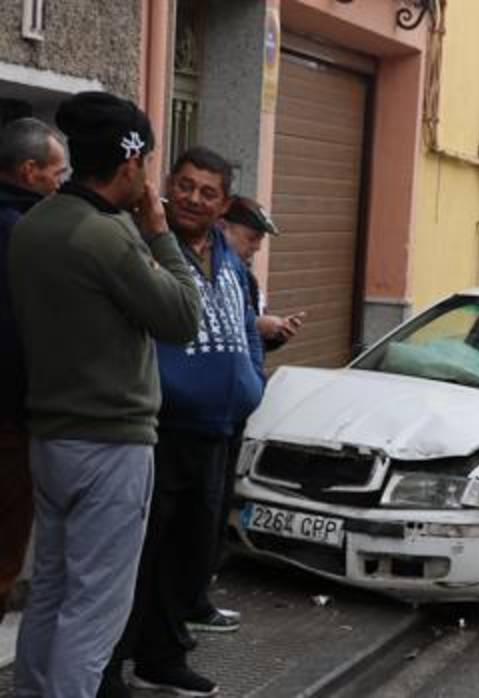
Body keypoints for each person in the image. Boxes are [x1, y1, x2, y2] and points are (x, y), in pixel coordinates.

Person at [9, 91, 201, 698]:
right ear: (130, 163)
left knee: (51, 589)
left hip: (51, 435)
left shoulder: (35, 224)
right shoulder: (106, 237)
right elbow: (182, 317)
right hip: (110, 441)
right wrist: (161, 235)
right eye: (147, 163)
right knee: (94, 609)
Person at [108, 147, 264, 697]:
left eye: (208, 192)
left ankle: (163, 657)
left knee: (189, 555)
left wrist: (253, 381)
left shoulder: (228, 256)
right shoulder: (143, 245)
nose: (193, 199)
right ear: (169, 184)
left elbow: (245, 325)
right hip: (156, 429)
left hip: (216, 431)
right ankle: (109, 666)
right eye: (186, 185)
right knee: (136, 556)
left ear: (224, 204)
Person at [0, 117, 67, 627]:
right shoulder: (24, 233)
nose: (62, 185)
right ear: (29, 171)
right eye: (58, 174)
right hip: (9, 418)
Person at [221, 196, 303, 352]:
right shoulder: (202, 277)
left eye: (260, 239)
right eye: (251, 238)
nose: (257, 247)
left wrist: (276, 334)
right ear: (222, 227)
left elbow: (256, 347)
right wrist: (255, 326)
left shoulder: (248, 281)